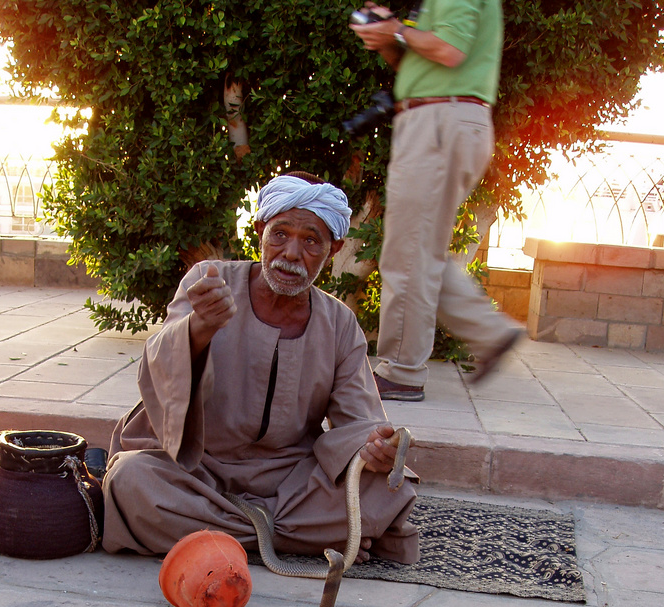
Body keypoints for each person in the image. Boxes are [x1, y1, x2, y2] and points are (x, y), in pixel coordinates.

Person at [102, 173, 420, 565]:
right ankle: (295, 539)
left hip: (287, 480)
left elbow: (359, 421)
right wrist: (199, 328)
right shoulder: (209, 281)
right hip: (194, 469)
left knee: (389, 488)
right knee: (130, 482)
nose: (290, 253)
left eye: (310, 241)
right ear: (259, 231)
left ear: (333, 249)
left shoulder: (339, 323)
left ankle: (216, 535)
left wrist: (375, 448)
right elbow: (159, 372)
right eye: (279, 234)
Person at [351, 0, 522, 402]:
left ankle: (402, 372)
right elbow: (429, 59)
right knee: (418, 251)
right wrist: (389, 39)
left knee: (409, 253)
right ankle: (492, 333)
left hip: (439, 122)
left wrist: (395, 29)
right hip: (439, 120)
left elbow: (449, 50)